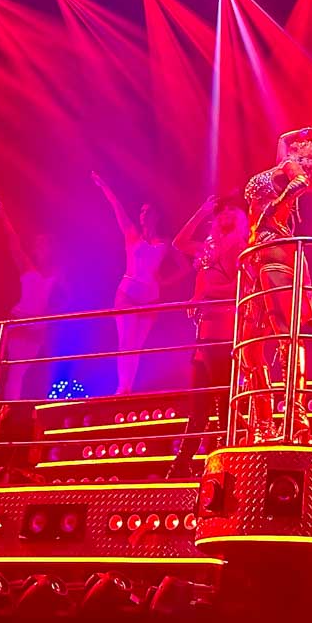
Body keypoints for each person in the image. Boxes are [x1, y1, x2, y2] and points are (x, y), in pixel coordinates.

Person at [241, 123, 312, 444]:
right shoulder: (283, 160)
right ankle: (264, 420)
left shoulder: (291, 168)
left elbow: (299, 183)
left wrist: (274, 210)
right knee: (249, 343)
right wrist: (308, 130)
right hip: (257, 250)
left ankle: (295, 415)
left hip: (274, 246)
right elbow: (282, 138)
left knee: (286, 333)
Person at [168, 193, 250, 477]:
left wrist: (205, 295)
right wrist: (201, 212)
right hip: (203, 335)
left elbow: (242, 290)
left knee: (223, 403)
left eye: (232, 210)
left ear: (240, 217)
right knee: (199, 406)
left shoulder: (241, 248)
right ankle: (181, 465)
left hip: (224, 333)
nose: (225, 214)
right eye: (222, 210)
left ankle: (226, 464)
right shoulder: (209, 247)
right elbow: (178, 243)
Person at [91, 172, 173, 395]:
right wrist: (104, 186)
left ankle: (128, 387)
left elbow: (184, 268)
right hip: (127, 293)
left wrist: (163, 282)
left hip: (150, 298)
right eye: (141, 211)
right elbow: (117, 208)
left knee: (137, 346)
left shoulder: (165, 243)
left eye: (148, 211)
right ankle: (122, 388)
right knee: (126, 341)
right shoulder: (132, 235)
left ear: (156, 215)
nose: (143, 214)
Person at [0, 197, 63, 401]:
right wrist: (3, 215)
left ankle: (17, 409)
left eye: (46, 243)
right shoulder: (27, 265)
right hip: (21, 319)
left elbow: (61, 300)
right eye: (39, 243)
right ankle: (7, 411)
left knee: (23, 373)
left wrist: (46, 321)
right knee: (15, 372)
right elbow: (13, 241)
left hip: (39, 324)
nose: (42, 246)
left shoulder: (57, 272)